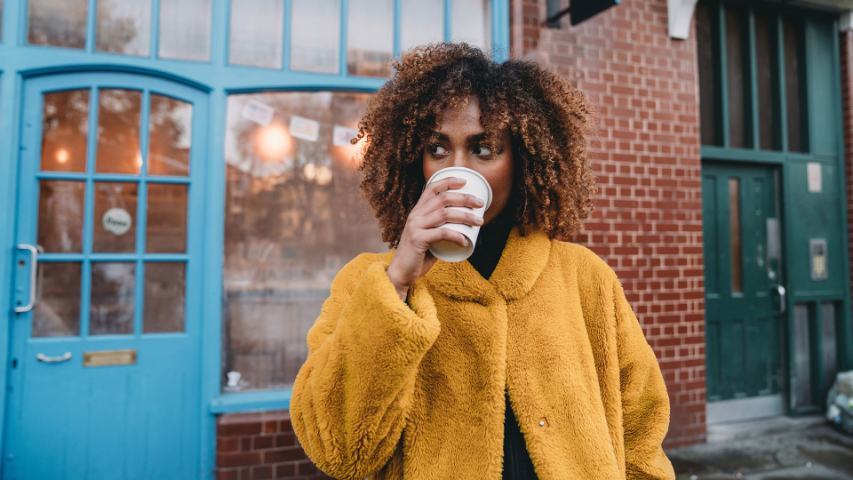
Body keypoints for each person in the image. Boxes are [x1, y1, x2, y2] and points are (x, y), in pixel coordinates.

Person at [290, 42, 676, 480]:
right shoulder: (371, 283)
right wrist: (398, 282)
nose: (455, 168)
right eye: (437, 148)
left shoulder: (585, 278)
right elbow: (338, 451)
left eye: (484, 149)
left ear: (523, 159)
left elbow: (642, 431)